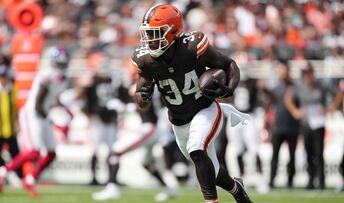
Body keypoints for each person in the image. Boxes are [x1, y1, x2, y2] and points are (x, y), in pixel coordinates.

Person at [132, 4, 252, 203]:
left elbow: (229, 65)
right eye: (148, 34)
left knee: (197, 149)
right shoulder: (145, 59)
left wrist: (229, 88)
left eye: (155, 33)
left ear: (172, 31)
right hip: (178, 120)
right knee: (209, 169)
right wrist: (143, 96)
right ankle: (237, 189)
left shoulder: (191, 46)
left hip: (205, 109)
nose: (150, 40)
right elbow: (140, 98)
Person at [0, 46, 69, 196]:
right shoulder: (47, 74)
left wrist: (62, 110)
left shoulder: (61, 78)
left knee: (52, 153)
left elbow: (53, 99)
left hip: (43, 114)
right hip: (32, 113)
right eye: (60, 63)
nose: (62, 66)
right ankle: (1, 172)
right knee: (34, 152)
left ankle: (30, 179)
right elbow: (39, 101)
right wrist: (52, 116)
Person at [92, 85, 178, 202]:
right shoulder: (150, 85)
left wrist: (126, 107)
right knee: (146, 163)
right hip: (151, 127)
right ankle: (169, 189)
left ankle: (112, 188)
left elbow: (144, 106)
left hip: (149, 127)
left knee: (115, 152)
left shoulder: (140, 86)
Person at [284, 62, 342, 190]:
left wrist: (331, 108)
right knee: (308, 153)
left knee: (319, 153)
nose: (307, 76)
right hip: (306, 124)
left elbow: (339, 93)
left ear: (312, 73)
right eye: (305, 74)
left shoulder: (321, 86)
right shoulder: (300, 87)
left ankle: (321, 181)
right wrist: (295, 111)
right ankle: (310, 180)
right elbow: (288, 99)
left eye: (308, 73)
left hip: (319, 124)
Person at [258, 61, 301, 189]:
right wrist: (265, 122)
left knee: (292, 156)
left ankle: (290, 180)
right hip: (278, 126)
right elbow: (269, 105)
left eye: (284, 70)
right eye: (281, 70)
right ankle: (271, 179)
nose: (282, 73)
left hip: (292, 126)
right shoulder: (276, 88)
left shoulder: (295, 87)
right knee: (274, 155)